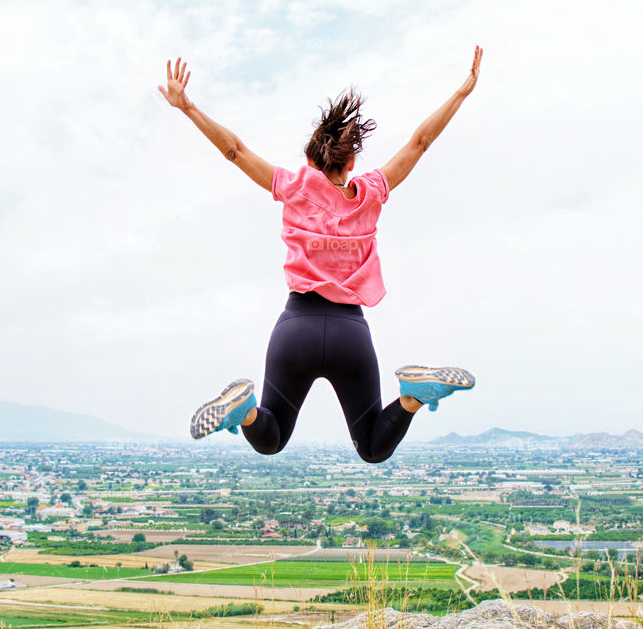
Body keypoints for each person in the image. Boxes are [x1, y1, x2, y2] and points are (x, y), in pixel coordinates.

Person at [158, 48, 483, 463]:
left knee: (270, 436)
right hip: (351, 335)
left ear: (310, 161)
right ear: (351, 163)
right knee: (371, 445)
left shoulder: (294, 186)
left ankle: (245, 410)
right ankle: (413, 398)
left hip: (297, 330)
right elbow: (420, 142)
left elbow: (234, 150)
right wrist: (461, 92)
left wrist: (187, 107)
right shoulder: (370, 192)